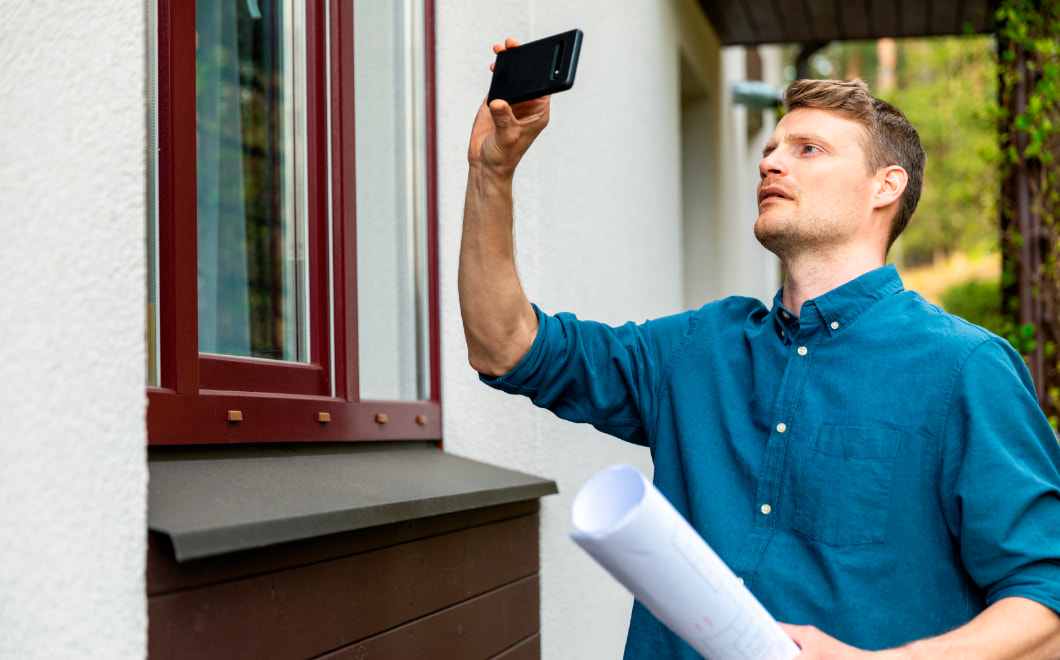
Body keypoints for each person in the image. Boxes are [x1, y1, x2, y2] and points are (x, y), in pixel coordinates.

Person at [459, 37, 1060, 659]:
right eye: (771, 149)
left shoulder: (964, 369)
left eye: (809, 150)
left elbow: (1046, 603)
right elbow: (505, 346)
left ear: (886, 186)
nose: (773, 163)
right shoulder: (697, 348)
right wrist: (490, 172)